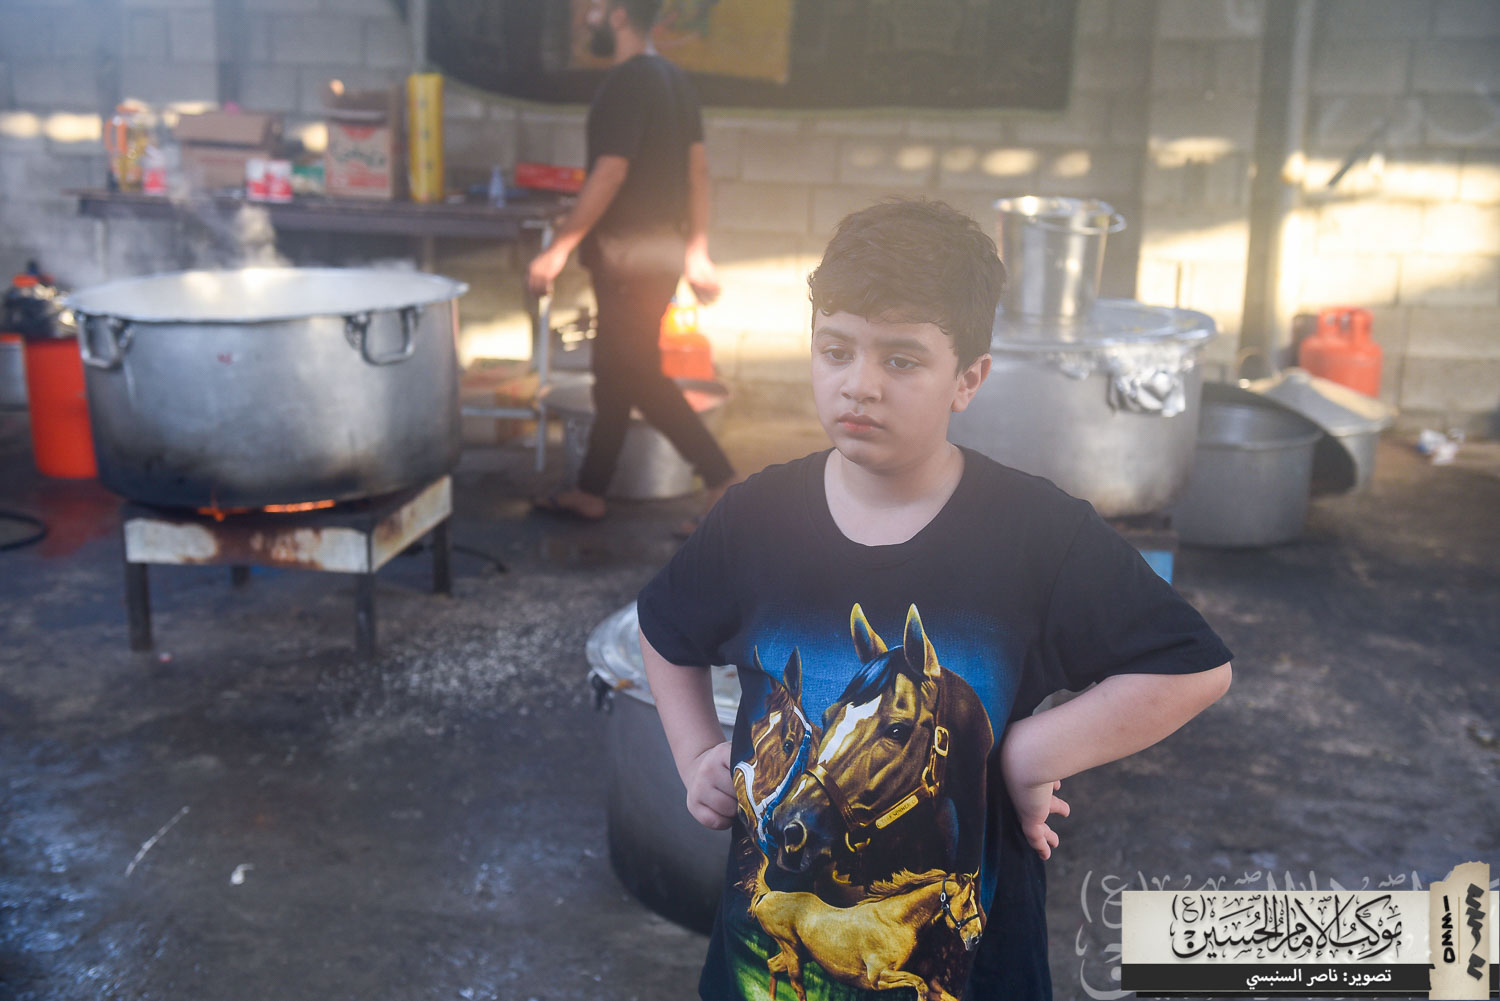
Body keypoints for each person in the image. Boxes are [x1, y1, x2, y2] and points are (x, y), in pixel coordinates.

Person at [635, 198, 1234, 1001]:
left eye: (902, 360)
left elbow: (1193, 667)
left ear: (968, 379)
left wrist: (1031, 751)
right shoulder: (754, 519)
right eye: (836, 350)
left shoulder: (1036, 533)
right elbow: (663, 629)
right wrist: (695, 753)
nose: (860, 385)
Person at [528, 0, 736, 529]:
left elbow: (610, 173)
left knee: (638, 373)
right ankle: (591, 490)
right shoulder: (676, 81)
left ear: (619, 14)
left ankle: (721, 480)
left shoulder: (625, 82)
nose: (586, 17)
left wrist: (558, 248)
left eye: (595, 7)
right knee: (613, 371)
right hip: (661, 252)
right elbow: (699, 171)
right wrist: (696, 248)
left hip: (628, 256)